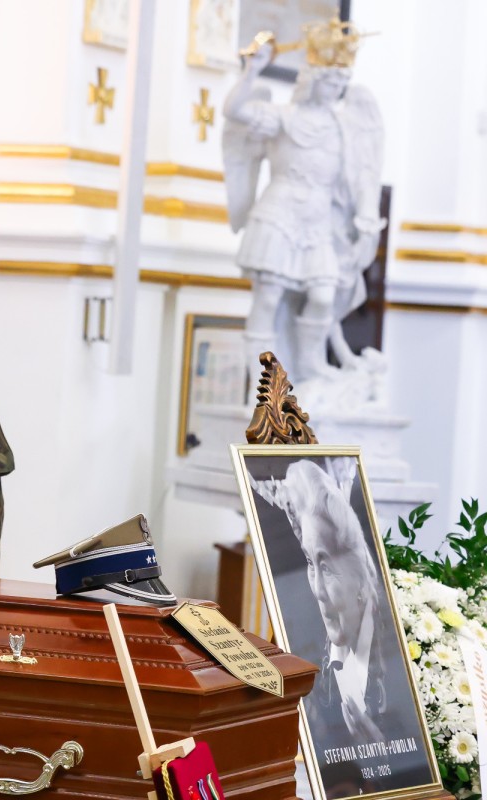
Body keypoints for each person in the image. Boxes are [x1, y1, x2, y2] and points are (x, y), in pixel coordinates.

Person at [222, 20, 384, 396]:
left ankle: (311, 366)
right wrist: (252, 70)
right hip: (278, 214)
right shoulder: (283, 117)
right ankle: (263, 377)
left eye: (342, 82)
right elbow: (234, 110)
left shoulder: (343, 127)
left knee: (323, 295)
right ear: (313, 79)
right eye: (330, 81)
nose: (336, 89)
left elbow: (361, 176)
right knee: (268, 296)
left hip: (318, 222)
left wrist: (365, 222)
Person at [252, 459, 387, 742]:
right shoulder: (310, 650)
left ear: (359, 575)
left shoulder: (392, 650)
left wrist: (380, 748)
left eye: (325, 566)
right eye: (310, 563)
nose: (318, 590)